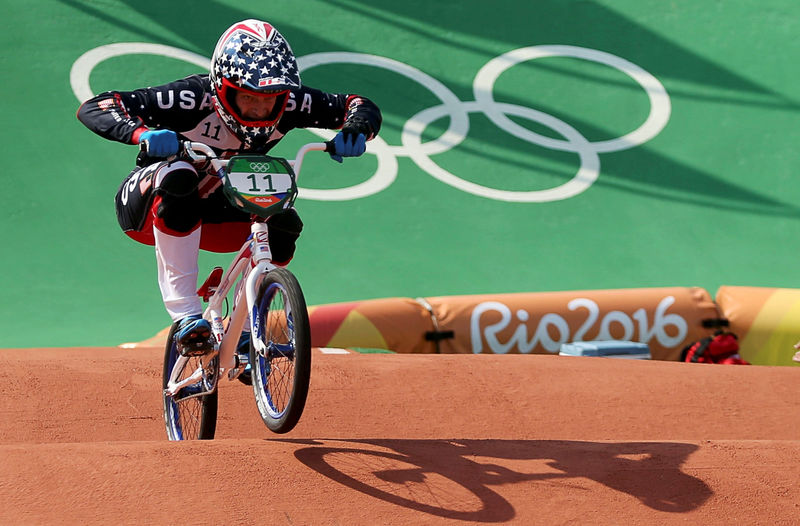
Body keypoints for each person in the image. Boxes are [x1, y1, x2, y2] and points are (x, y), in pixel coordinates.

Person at [77, 19, 381, 377]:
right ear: (222, 88)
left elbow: (358, 104)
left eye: (269, 101)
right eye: (248, 98)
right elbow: (95, 107)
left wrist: (356, 129)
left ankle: (246, 331)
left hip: (221, 214)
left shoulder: (293, 102)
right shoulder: (190, 97)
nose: (258, 111)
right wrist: (142, 133)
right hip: (150, 207)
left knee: (283, 219)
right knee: (180, 174)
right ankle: (186, 312)